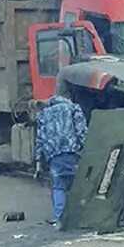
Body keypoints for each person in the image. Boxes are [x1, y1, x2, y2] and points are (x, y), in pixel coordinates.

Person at [35, 95, 88, 228]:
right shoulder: (73, 109)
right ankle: (79, 217)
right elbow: (81, 132)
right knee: (77, 185)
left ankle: (60, 219)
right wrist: (85, 149)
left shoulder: (43, 114)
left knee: (59, 186)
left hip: (53, 155)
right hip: (72, 152)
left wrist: (38, 162)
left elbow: (39, 140)